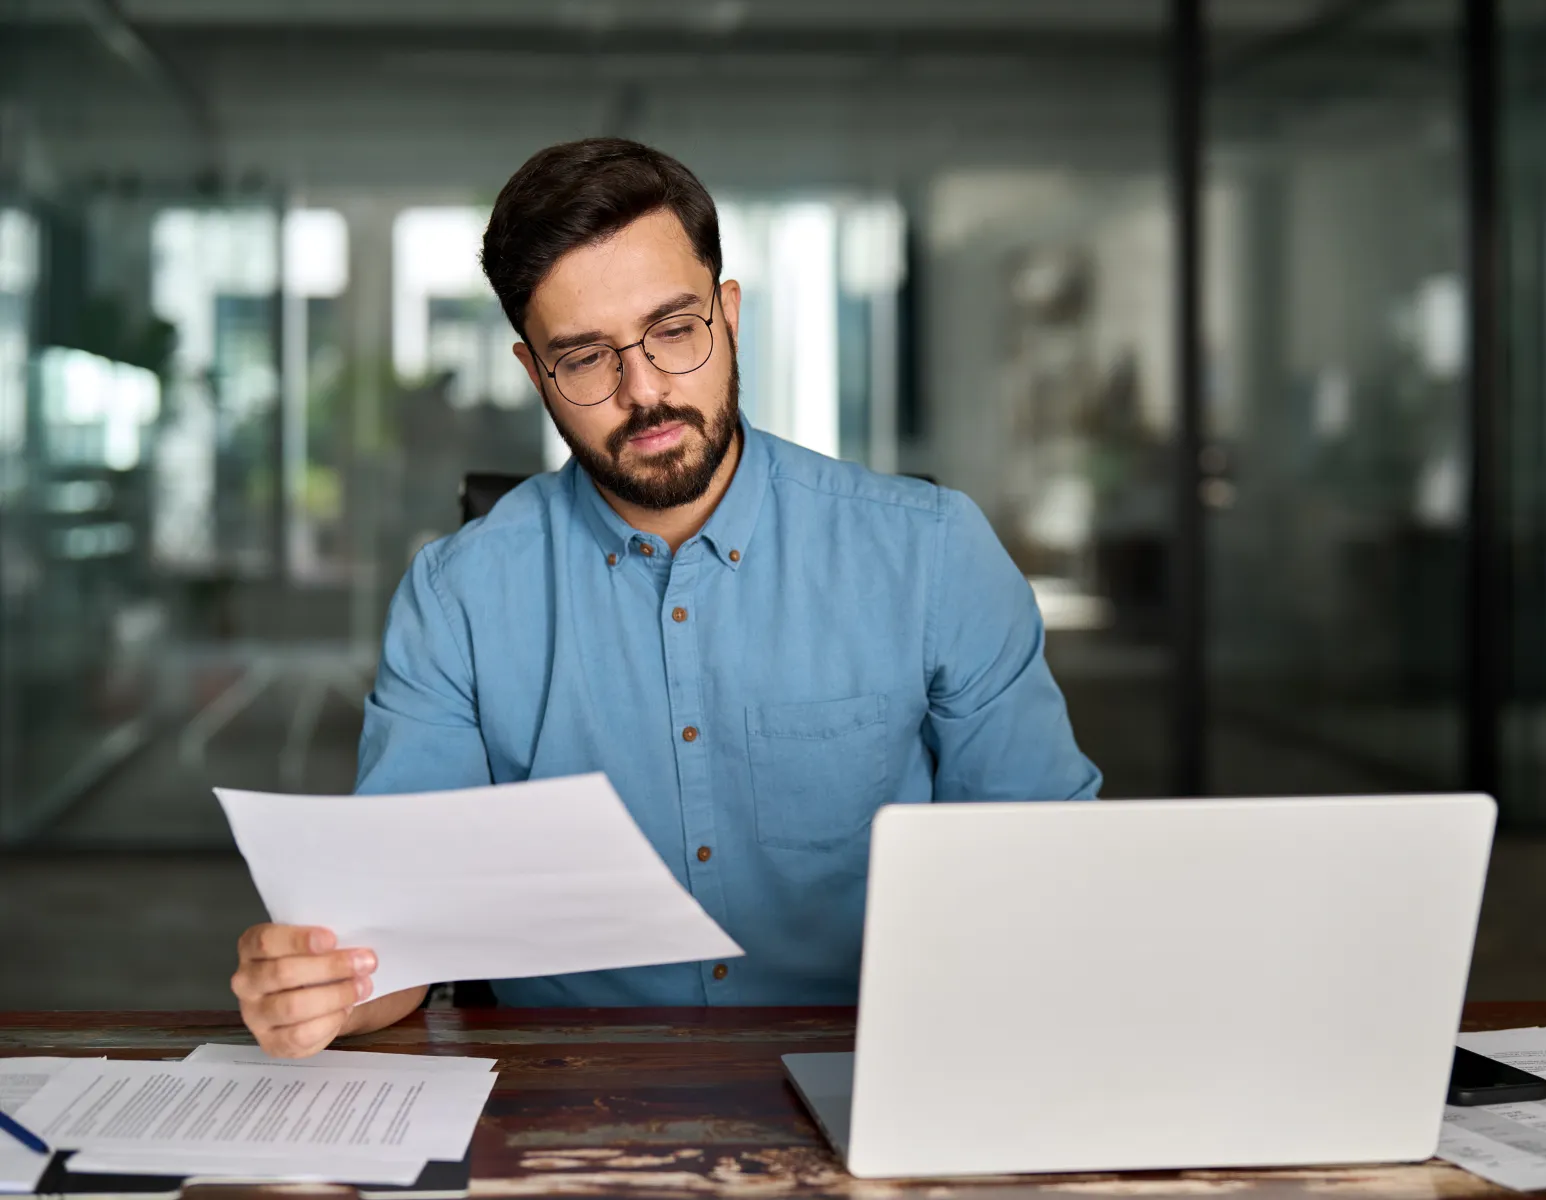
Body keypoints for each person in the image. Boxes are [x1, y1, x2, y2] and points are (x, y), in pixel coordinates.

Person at [231, 138, 1101, 1058]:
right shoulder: (458, 600)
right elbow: (393, 934)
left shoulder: (931, 554)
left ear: (728, 316)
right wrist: (325, 987)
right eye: (585, 358)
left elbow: (1047, 874)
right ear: (536, 375)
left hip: (873, 1073)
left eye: (674, 331)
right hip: (568, 1102)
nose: (643, 392)